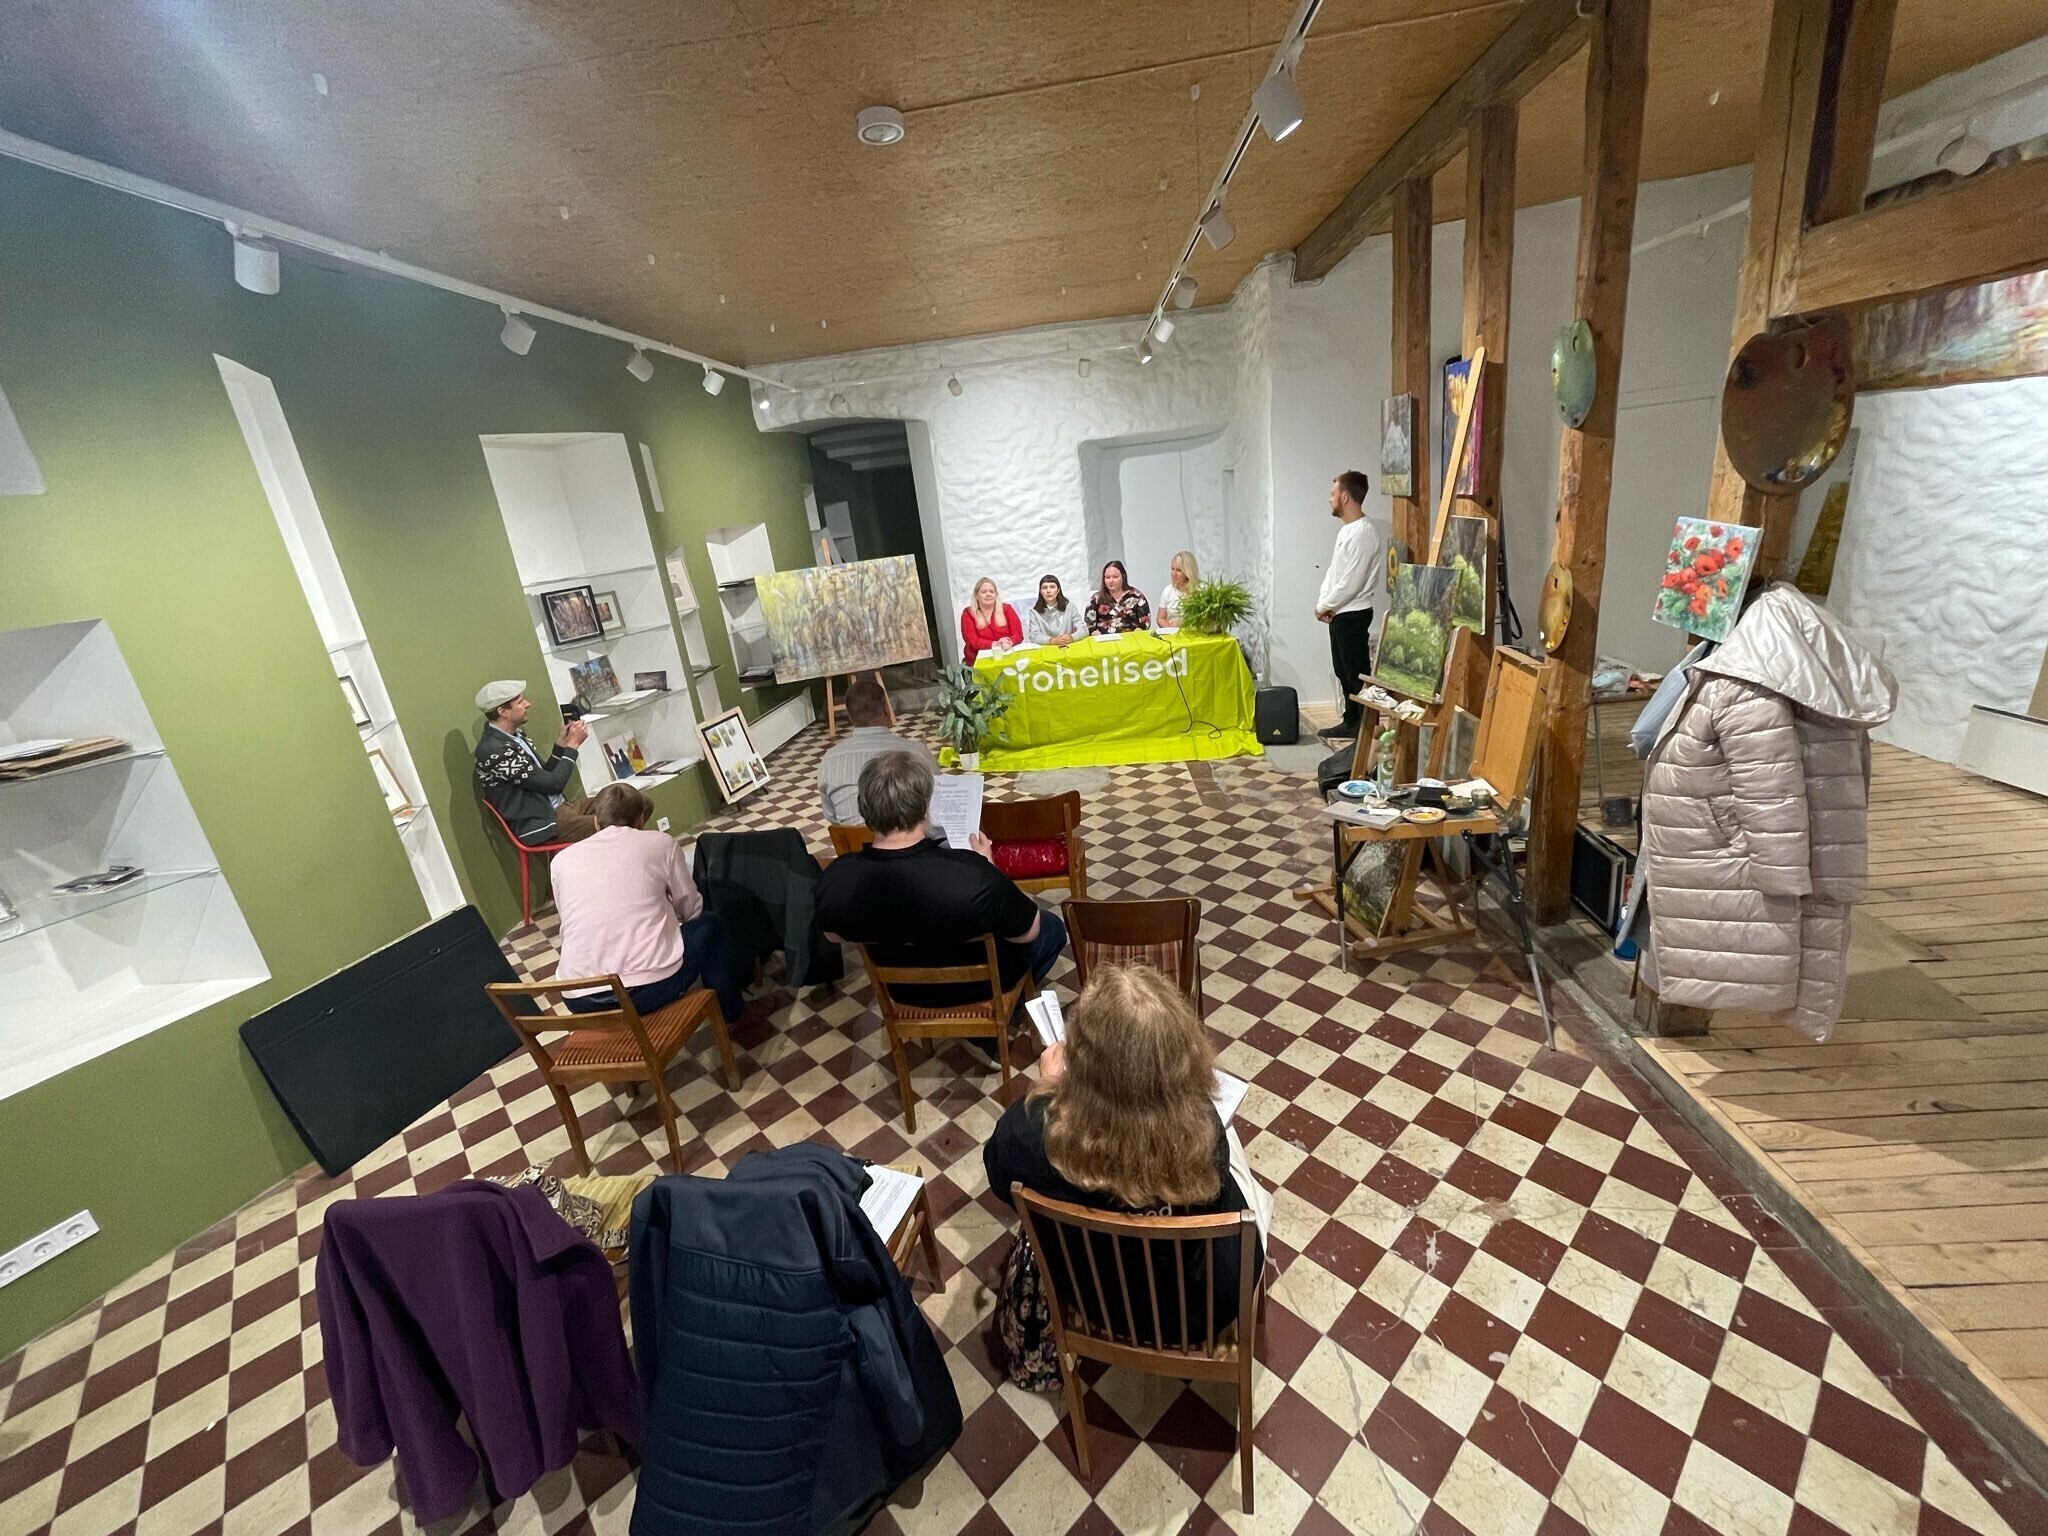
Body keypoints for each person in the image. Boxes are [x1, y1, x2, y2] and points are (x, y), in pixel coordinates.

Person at [983, 964, 1270, 1375]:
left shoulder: (1027, 1135)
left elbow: (999, 1178)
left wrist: (1046, 1088)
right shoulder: (1203, 1130)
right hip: (1201, 1311)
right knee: (1237, 1163)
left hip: (1092, 1300)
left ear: (1080, 1065)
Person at [816, 750, 1066, 1054]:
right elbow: (1029, 931)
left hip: (904, 992)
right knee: (1052, 928)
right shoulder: (973, 875)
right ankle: (987, 1028)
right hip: (980, 989)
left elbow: (833, 935)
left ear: (864, 809)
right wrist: (990, 867)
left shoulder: (839, 877)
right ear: (925, 808)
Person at [549, 782, 750, 1025]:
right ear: (641, 819)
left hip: (578, 998)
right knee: (711, 924)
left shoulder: (561, 861)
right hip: (644, 991)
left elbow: (570, 920)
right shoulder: (660, 843)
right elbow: (690, 909)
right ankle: (733, 1016)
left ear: (595, 822)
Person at [473, 679, 598, 843]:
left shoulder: (514, 736)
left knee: (625, 800)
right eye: (520, 702)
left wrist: (561, 744)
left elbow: (544, 777)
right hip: (545, 824)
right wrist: (573, 746)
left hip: (561, 809)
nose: (527, 704)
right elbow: (554, 784)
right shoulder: (494, 750)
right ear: (503, 711)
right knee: (614, 821)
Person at [1314, 470, 1383, 741]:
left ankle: (1365, 726)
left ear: (1345, 497)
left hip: (1353, 613)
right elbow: (1335, 573)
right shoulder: (1347, 531)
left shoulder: (1364, 533)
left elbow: (1351, 582)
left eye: (1333, 494)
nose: (1329, 499)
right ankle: (1351, 721)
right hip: (1340, 612)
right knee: (1343, 671)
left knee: (1356, 674)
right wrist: (1323, 603)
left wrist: (1325, 605)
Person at [816, 675, 937, 825]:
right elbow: (937, 802)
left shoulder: (829, 760)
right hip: (908, 836)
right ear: (886, 708)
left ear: (850, 716)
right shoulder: (917, 753)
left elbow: (831, 817)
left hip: (853, 840)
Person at [959, 576, 1023, 664]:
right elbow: (972, 641)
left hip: (1007, 660)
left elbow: (1018, 635)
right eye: (983, 592)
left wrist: (1009, 642)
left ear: (996, 595)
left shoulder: (1007, 609)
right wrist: (996, 644)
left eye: (991, 591)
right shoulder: (968, 613)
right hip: (976, 663)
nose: (988, 594)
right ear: (976, 595)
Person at [1084, 560, 1150, 636]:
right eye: (1107, 577)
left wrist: (1134, 636)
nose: (1111, 581)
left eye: (1115, 577)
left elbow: (1145, 623)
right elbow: (1089, 625)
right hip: (1103, 640)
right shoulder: (1096, 599)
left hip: (1131, 639)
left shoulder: (1137, 596)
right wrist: (1097, 635)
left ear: (1123, 576)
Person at [1022, 574, 1081, 647]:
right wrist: (1051, 640)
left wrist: (1072, 638)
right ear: (1040, 591)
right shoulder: (1034, 612)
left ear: (1058, 590)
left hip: (1068, 647)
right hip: (1046, 650)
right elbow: (1034, 636)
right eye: (1044, 588)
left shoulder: (1070, 607)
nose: (1048, 591)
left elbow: (1083, 629)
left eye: (1052, 587)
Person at [1155, 550, 1199, 631]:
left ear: (1188, 571)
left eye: (1179, 570)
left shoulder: (1200, 590)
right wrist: (1171, 630)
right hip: (1173, 634)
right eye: (1172, 569)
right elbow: (1160, 618)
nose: (1174, 574)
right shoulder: (1168, 591)